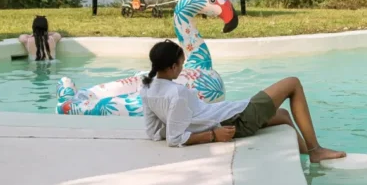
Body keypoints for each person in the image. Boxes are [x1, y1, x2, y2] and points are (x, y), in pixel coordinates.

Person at [139, 39, 347, 162]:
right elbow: (175, 139)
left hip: (229, 115)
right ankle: (315, 150)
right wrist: (212, 135)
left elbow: (154, 132)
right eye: (182, 64)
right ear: (173, 67)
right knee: (293, 83)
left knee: (283, 115)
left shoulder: (146, 86)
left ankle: (307, 158)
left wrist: (178, 127)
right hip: (236, 120)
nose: (183, 68)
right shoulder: (176, 94)